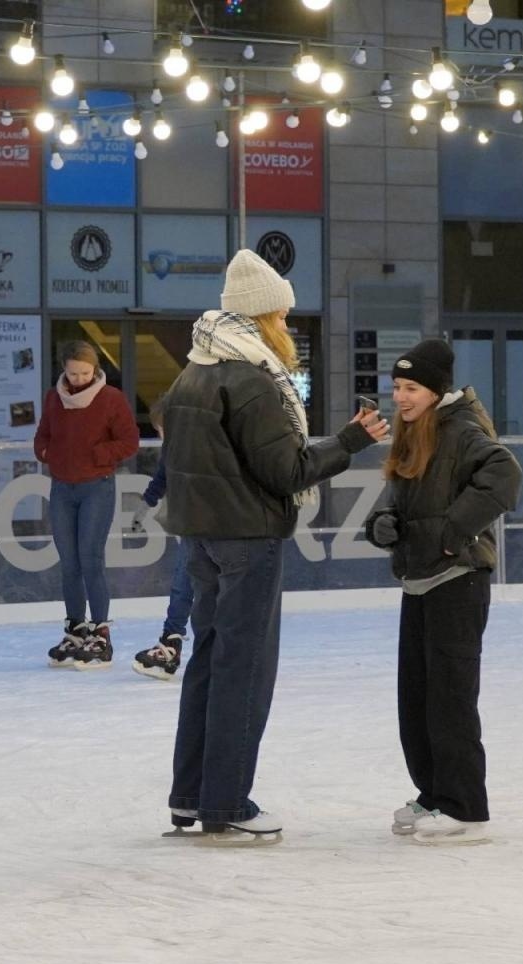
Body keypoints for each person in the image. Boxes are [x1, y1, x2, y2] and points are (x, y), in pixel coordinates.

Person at [156, 249, 389, 844]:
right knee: (245, 669)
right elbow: (287, 471)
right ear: (259, 319)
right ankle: (227, 800)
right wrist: (352, 440)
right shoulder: (253, 382)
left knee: (207, 665)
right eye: (282, 318)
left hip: (201, 540)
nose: (287, 329)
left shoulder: (192, 373)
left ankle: (192, 796)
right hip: (247, 539)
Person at [363, 339, 522, 846]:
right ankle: (433, 793)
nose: (401, 398)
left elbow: (504, 476)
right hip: (420, 579)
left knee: (450, 697)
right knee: (417, 697)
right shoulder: (417, 432)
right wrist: (383, 522)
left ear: (435, 390)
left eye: (411, 388)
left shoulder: (462, 429)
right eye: (397, 388)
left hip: (458, 579)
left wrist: (453, 533)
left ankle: (464, 806)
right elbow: (399, 495)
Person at [33, 339, 139, 668]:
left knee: (90, 558)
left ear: (95, 370)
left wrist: (97, 456)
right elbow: (43, 434)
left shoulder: (110, 399)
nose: (79, 378)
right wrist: (46, 453)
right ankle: (75, 627)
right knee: (69, 563)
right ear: (63, 370)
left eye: (85, 372)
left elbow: (129, 440)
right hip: (63, 488)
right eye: (73, 372)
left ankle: (100, 631)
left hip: (97, 486)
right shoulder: (54, 397)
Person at [131, 412, 193, 681]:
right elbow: (159, 480)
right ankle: (171, 642)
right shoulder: (171, 452)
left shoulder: (204, 449)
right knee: (183, 585)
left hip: (211, 529)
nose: (162, 438)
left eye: (164, 431)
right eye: (158, 432)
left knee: (196, 586)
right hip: (188, 528)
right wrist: (143, 508)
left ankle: (220, 647)